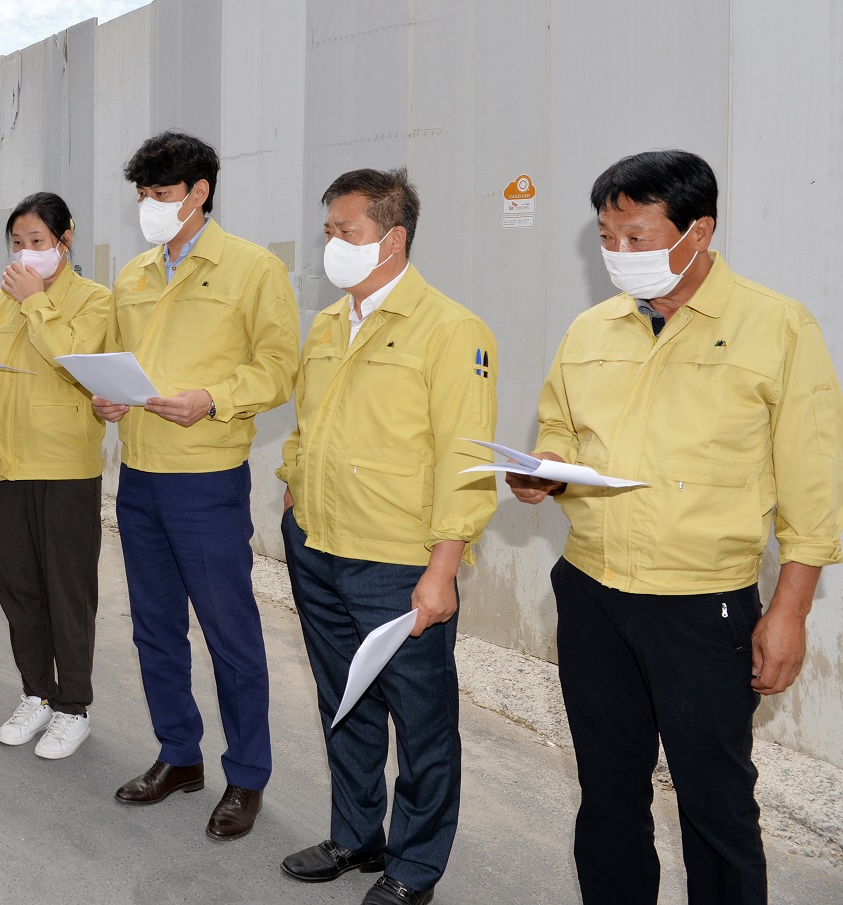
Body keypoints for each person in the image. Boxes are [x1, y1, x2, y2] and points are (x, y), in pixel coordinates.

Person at [508, 150, 842, 905]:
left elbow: (812, 490)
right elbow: (559, 425)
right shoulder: (591, 328)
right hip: (593, 593)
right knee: (609, 794)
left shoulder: (777, 327)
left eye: (637, 236)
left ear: (699, 231)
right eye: (607, 236)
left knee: (715, 801)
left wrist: (788, 611)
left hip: (702, 607)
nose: (619, 254)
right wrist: (544, 467)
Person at [276, 169, 498, 905]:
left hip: (398, 563)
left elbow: (465, 459)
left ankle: (413, 867)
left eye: (348, 230)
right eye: (329, 230)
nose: (332, 243)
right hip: (319, 544)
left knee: (423, 722)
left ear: (392, 237)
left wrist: (444, 566)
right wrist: (294, 488)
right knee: (343, 701)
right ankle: (355, 834)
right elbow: (312, 425)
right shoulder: (329, 322)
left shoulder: (450, 328)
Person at [93, 130, 297, 840]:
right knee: (154, 629)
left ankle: (247, 775)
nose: (149, 206)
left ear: (200, 191)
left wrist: (212, 396)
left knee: (229, 634)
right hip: (140, 475)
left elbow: (279, 368)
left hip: (206, 479)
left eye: (161, 193)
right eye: (142, 195)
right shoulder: (135, 274)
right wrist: (106, 398)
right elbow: (119, 359)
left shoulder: (252, 268)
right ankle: (179, 755)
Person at [0, 192, 110, 759]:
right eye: (17, 244)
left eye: (38, 242)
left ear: (64, 239)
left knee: (67, 590)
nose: (26, 254)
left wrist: (36, 304)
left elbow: (74, 360)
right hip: (3, 466)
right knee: (17, 587)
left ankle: (74, 706)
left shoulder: (95, 301)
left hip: (64, 466)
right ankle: (37, 694)